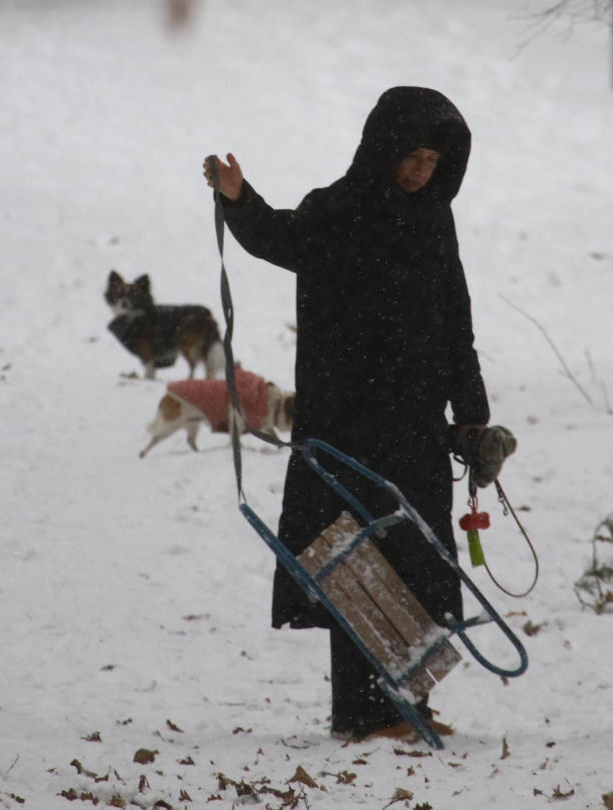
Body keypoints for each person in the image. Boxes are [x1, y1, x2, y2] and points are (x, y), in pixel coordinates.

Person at [203, 86, 490, 741]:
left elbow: (455, 318)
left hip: (416, 418)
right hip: (346, 419)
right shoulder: (336, 210)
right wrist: (238, 198)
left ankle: (405, 697)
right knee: (356, 559)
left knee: (416, 554)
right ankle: (362, 712)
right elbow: (280, 239)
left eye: (433, 159)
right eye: (412, 156)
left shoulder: (433, 219)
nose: (421, 171)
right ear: (384, 147)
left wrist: (470, 412)